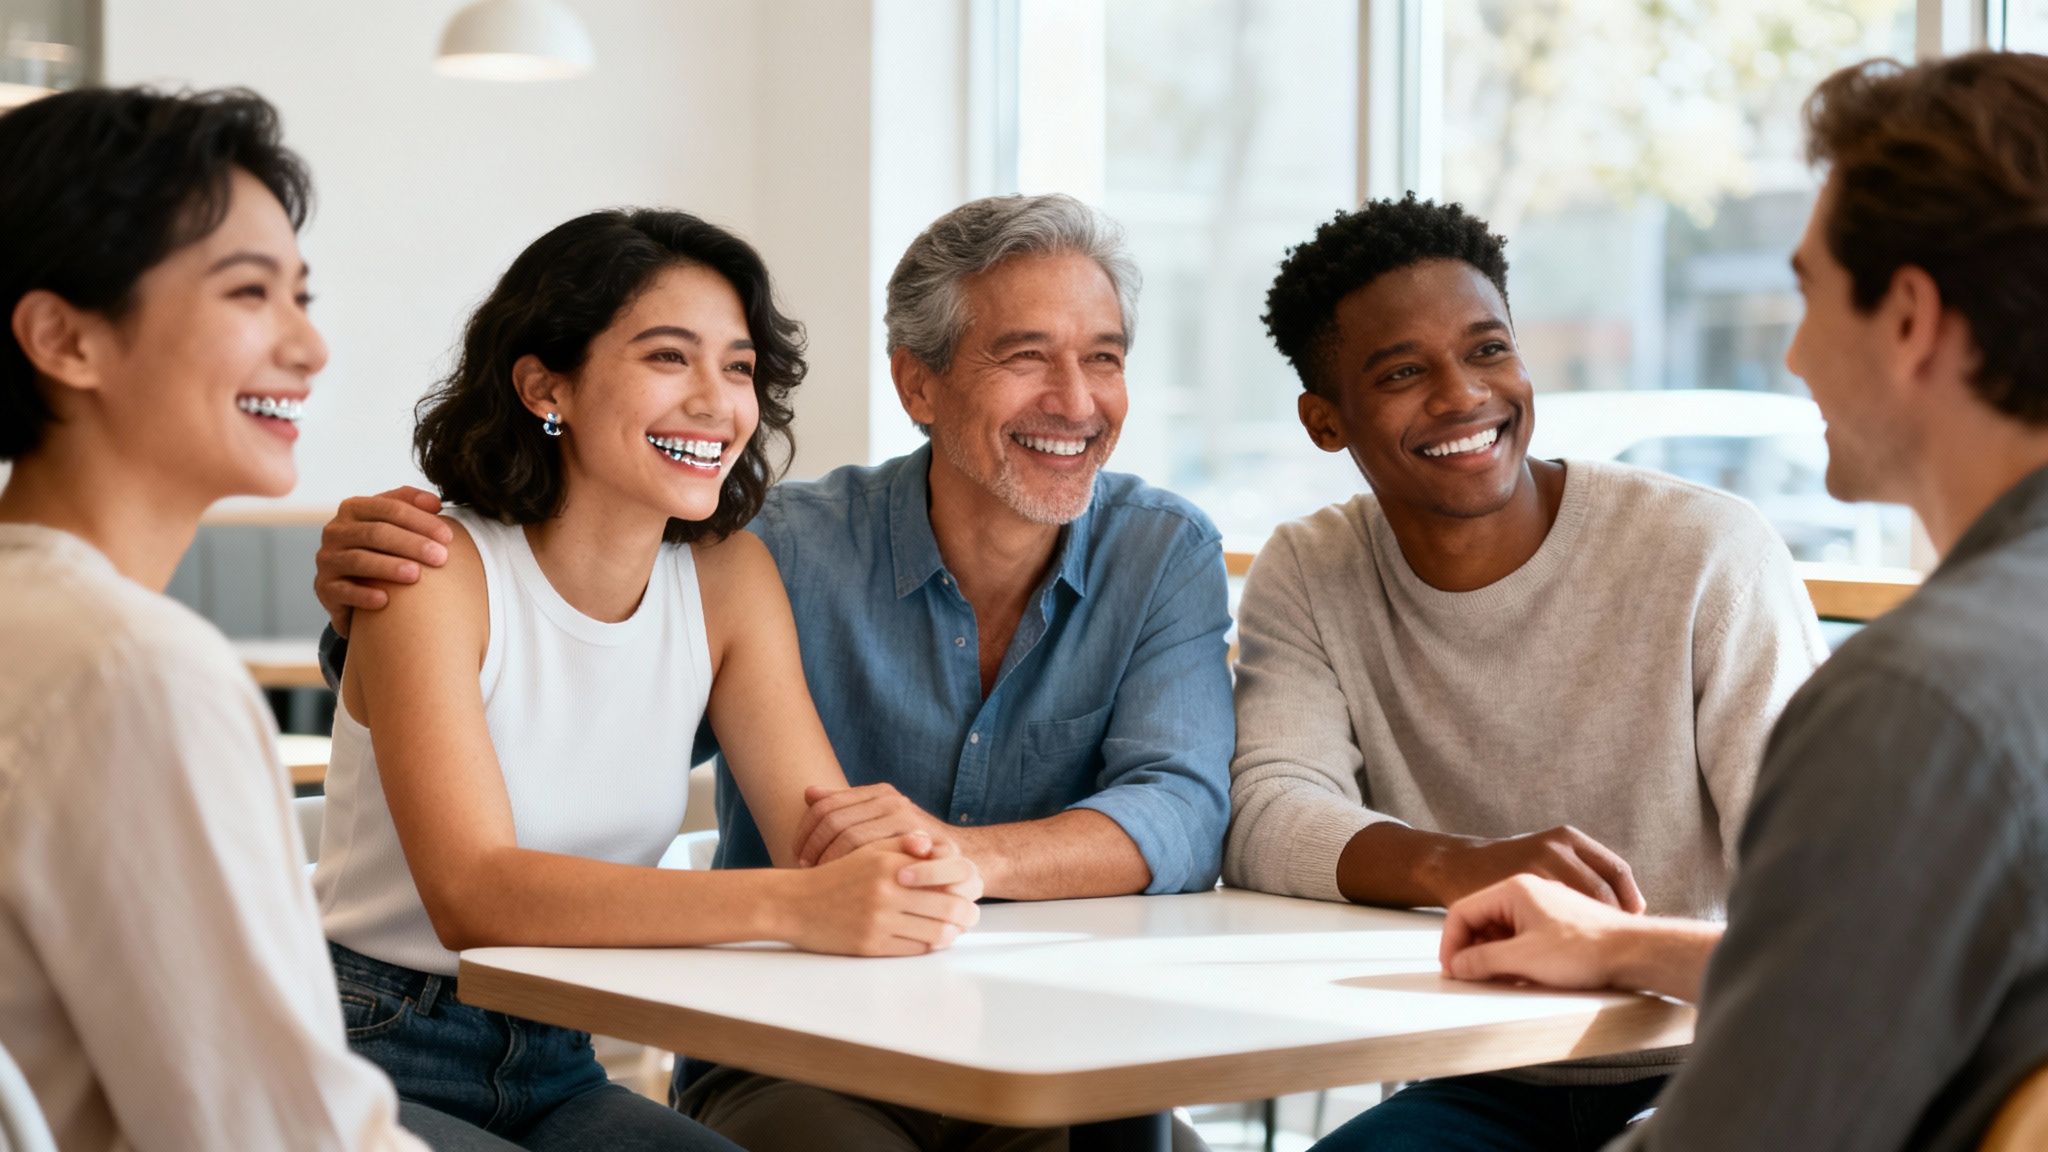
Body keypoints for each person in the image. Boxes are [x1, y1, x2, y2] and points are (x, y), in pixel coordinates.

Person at [313, 193, 1232, 1152]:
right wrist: (805, 905)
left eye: (739, 367)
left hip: (560, 1057)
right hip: (369, 1042)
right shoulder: (428, 568)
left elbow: (828, 845)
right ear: (548, 388)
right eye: (669, 356)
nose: (717, 401)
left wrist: (894, 874)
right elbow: (477, 897)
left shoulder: (727, 571)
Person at [1434, 50, 2048, 1152]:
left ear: (1907, 318)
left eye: (1809, 294)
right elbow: (1895, 975)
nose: (1795, 354)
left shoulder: (1915, 706)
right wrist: (1626, 946)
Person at [1222, 193, 1828, 1150]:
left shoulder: (1709, 552)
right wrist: (1466, 865)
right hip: (1479, 1071)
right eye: (1403, 371)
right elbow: (1267, 814)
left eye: (1488, 349)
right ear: (1324, 420)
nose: (1463, 395)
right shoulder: (1311, 569)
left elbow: (1821, 896)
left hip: (1709, 1057)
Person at [0, 86, 426, 1150]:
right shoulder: (129, 673)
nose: (311, 349)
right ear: (65, 338)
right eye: (249, 294)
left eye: (302, 295)